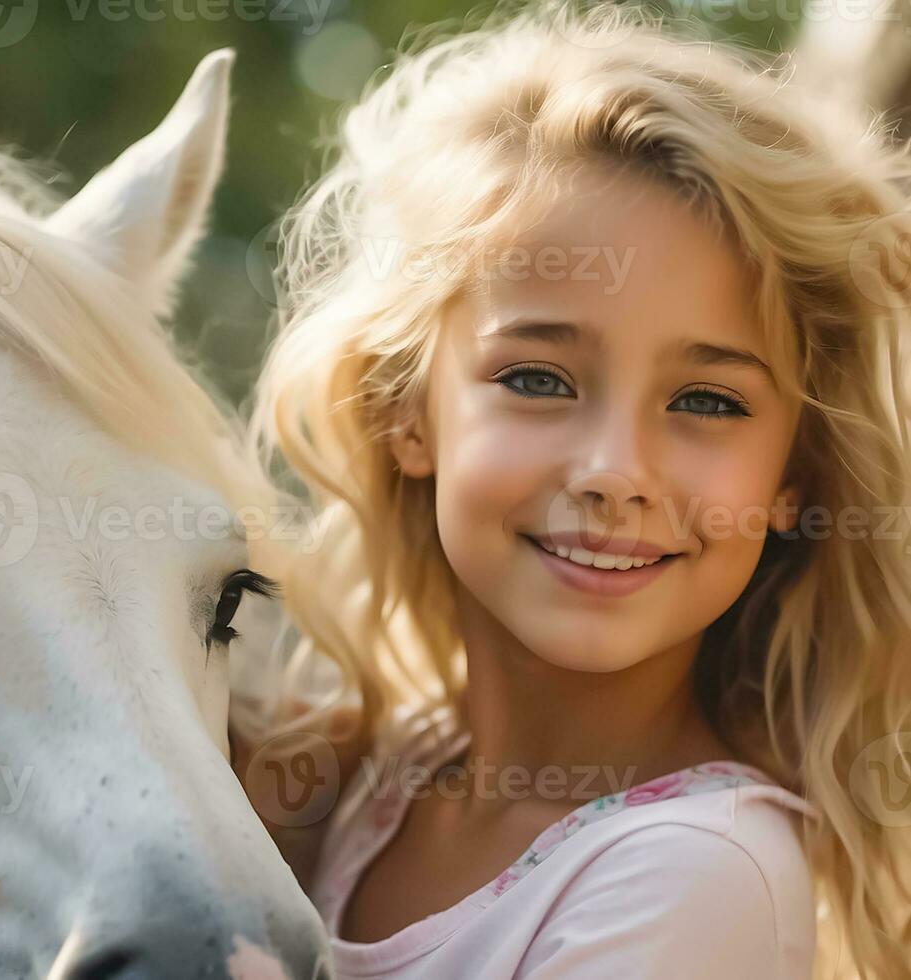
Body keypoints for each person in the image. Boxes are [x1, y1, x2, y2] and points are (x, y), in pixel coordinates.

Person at [239, 3, 911, 977]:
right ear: (407, 411)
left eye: (708, 400)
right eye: (538, 379)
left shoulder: (695, 872)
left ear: (793, 473)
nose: (613, 472)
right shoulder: (365, 785)